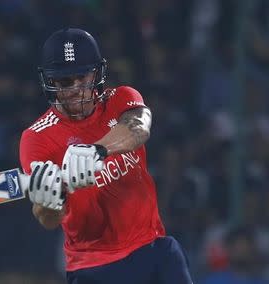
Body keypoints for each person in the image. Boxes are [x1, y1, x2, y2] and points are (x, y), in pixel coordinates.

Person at [19, 28, 193, 284]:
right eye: (66, 82)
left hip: (151, 248)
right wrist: (49, 201)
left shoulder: (122, 97)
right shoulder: (36, 138)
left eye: (83, 77)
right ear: (51, 83)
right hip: (94, 267)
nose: (77, 89)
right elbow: (47, 219)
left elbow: (139, 128)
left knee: (171, 250)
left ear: (97, 74)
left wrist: (97, 150)